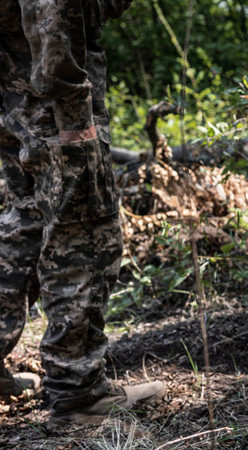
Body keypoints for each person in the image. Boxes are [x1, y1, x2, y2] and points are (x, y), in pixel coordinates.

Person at [0, 0, 165, 426]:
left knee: (24, 223)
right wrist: (71, 104)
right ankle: (79, 396)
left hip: (14, 86)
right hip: (50, 92)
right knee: (84, 234)